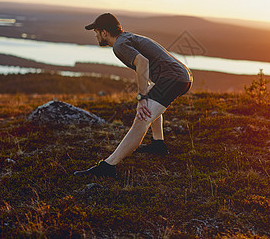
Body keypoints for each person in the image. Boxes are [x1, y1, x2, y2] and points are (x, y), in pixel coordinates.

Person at [74, 13, 193, 178]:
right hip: (180, 77)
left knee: (142, 118)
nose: (95, 35)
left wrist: (142, 98)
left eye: (96, 31)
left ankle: (108, 166)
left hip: (173, 79)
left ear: (104, 33)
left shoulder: (119, 45)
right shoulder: (127, 38)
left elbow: (142, 62)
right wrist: (146, 95)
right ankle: (158, 144)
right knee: (152, 98)